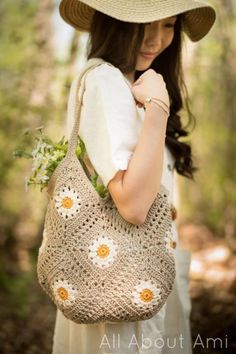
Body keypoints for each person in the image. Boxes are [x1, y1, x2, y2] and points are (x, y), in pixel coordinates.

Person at [53, 1, 216, 353]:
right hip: (119, 283)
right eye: (144, 24)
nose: (156, 40)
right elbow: (134, 205)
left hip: (140, 275)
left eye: (169, 25)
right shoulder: (106, 81)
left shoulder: (132, 81)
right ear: (113, 23)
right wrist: (159, 106)